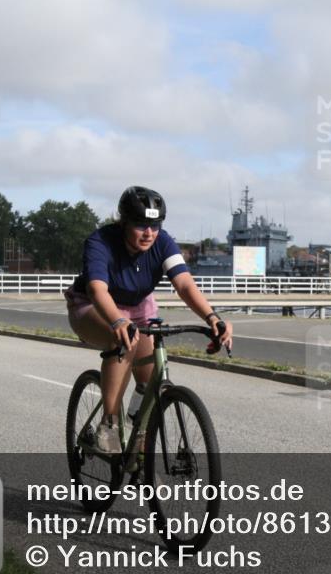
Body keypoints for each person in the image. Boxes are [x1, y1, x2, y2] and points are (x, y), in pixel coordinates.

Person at [65, 186, 233, 453]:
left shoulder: (163, 242)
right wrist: (117, 321)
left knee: (150, 385)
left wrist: (211, 316)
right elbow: (97, 289)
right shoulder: (101, 241)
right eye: (141, 225)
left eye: (155, 226)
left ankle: (140, 454)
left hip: (139, 306)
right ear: (123, 222)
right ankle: (109, 424)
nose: (149, 233)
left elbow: (185, 285)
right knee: (120, 338)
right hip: (92, 305)